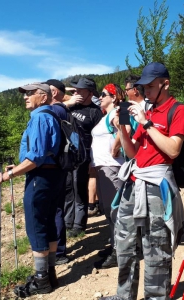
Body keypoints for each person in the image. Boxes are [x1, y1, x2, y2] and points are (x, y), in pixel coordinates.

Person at [101, 62, 184, 300]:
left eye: (150, 87)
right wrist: (123, 130)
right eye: (143, 87)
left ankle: (156, 297)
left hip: (157, 184)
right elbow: (133, 153)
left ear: (165, 84)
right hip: (134, 180)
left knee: (156, 248)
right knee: (125, 243)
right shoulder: (147, 111)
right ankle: (124, 295)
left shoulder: (177, 109)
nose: (145, 92)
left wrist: (147, 124)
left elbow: (173, 150)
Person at [0, 82, 66, 297]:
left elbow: (37, 156)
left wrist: (8, 175)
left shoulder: (41, 117)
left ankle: (41, 280)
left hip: (41, 178)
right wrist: (20, 165)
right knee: (48, 222)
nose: (25, 97)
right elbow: (42, 154)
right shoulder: (51, 116)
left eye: (30, 93)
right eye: (25, 94)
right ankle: (49, 274)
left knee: (36, 226)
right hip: (52, 175)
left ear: (43, 97)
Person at [62, 77, 103, 237]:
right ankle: (67, 221)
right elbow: (54, 103)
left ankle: (79, 224)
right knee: (68, 187)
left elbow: (99, 138)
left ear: (90, 93)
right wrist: (71, 97)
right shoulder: (71, 105)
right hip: (67, 154)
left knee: (79, 187)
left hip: (83, 155)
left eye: (80, 90)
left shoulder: (95, 112)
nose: (77, 92)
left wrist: (94, 160)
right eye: (75, 89)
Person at [91, 83, 126, 269]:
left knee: (116, 211)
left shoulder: (116, 112)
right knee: (109, 210)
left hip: (112, 168)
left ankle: (120, 251)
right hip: (104, 168)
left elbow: (125, 129)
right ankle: (116, 245)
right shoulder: (107, 114)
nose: (100, 97)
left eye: (104, 94)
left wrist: (116, 147)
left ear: (114, 97)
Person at [43, 79, 72, 265]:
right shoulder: (63, 108)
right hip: (60, 165)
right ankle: (58, 250)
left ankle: (58, 252)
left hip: (53, 167)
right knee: (57, 208)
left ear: (53, 92)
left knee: (54, 210)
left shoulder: (56, 110)